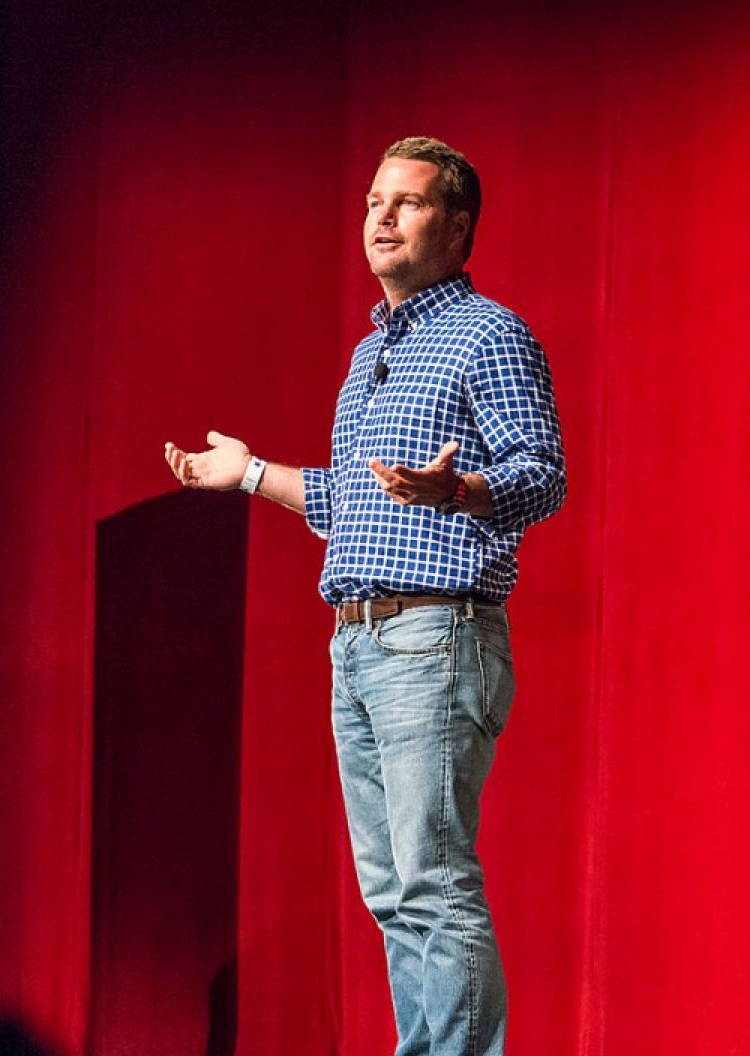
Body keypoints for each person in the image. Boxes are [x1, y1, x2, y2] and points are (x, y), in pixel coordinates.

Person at [162, 136, 565, 1056]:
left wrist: (460, 491)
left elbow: (542, 474)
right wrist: (250, 472)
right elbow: (349, 499)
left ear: (457, 228)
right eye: (374, 202)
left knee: (433, 882)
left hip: (435, 633)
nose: (381, 218)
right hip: (356, 640)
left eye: (409, 203)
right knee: (391, 895)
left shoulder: (488, 334)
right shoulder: (367, 356)